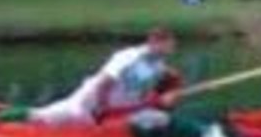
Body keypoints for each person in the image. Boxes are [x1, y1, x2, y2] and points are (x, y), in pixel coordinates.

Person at [31, 28, 181, 126]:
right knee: (40, 117)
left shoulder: (157, 65)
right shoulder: (129, 57)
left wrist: (161, 98)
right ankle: (10, 118)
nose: (171, 48)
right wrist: (103, 108)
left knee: (157, 119)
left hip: (113, 113)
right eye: (168, 44)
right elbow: (104, 82)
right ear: (153, 42)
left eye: (172, 45)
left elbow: (136, 88)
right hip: (88, 105)